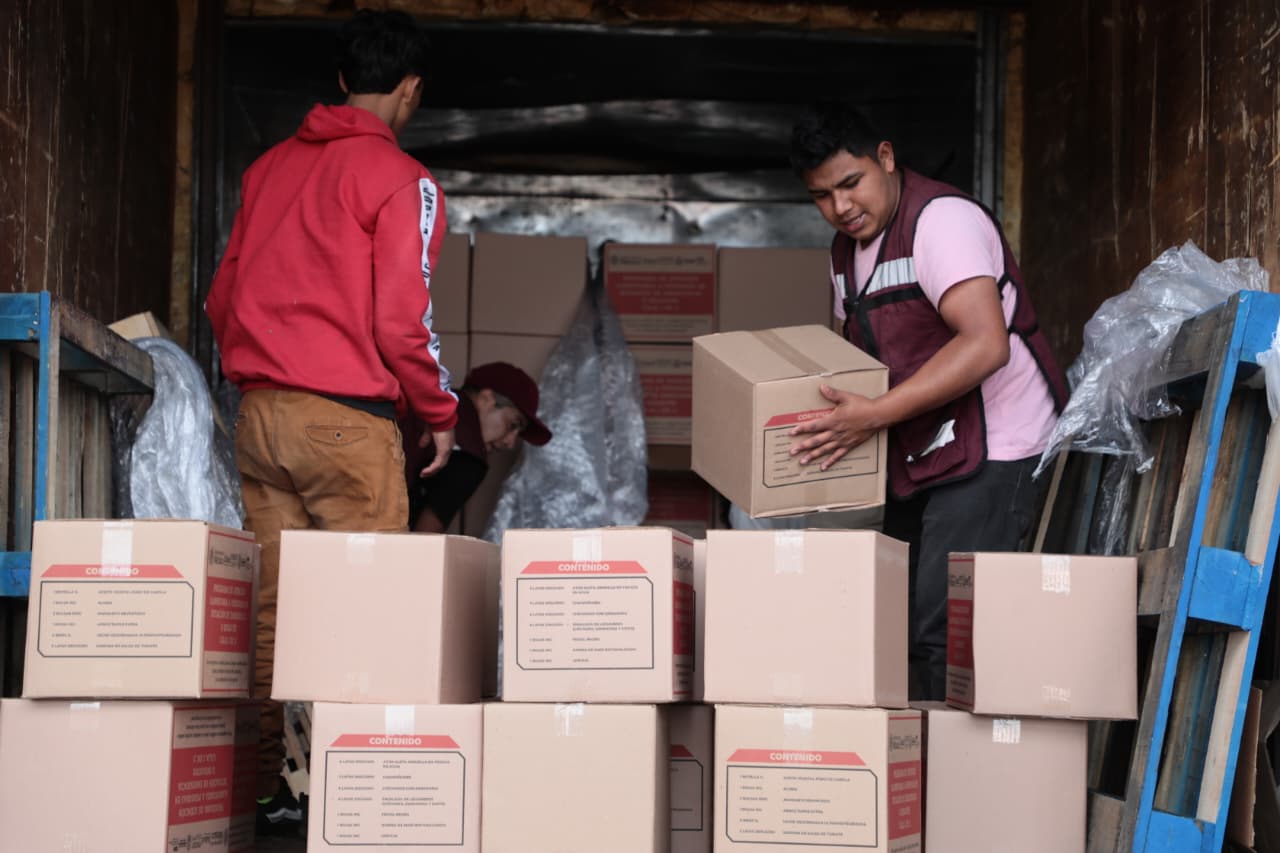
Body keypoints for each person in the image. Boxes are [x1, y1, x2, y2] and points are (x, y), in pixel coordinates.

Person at [204, 10, 457, 835]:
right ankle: (348, 797)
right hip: (347, 423)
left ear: (344, 80)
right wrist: (439, 412)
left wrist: (262, 368)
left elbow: (220, 296)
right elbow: (402, 323)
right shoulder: (403, 181)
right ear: (411, 90)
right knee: (361, 611)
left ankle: (270, 792)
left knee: (273, 615)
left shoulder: (265, 170)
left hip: (260, 417)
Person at [787, 102, 1069, 700]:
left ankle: (967, 757)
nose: (841, 206)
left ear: (886, 158)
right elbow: (853, 359)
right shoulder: (845, 254)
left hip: (999, 443)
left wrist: (873, 416)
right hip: (922, 447)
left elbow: (986, 345)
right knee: (902, 621)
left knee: (949, 628)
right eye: (822, 196)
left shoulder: (941, 223)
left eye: (851, 182)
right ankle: (914, 751)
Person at [402, 361, 553, 533]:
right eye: (512, 425)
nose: (510, 443)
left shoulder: (420, 405)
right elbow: (424, 538)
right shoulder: (468, 456)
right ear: (485, 399)